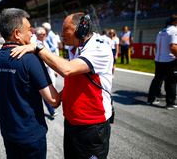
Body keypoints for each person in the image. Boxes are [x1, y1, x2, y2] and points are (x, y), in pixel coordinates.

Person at [11, 12, 113, 159]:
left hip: (92, 126)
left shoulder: (99, 49)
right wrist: (59, 96)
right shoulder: (77, 46)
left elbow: (67, 70)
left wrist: (38, 47)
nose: (61, 34)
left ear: (80, 31)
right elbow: (77, 81)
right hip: (72, 122)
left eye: (66, 29)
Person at [0, 8, 60, 159]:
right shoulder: (30, 59)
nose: (32, 33)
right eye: (28, 30)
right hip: (31, 135)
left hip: (8, 132)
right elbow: (53, 101)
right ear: (17, 34)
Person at [147, 14, 177, 109]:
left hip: (159, 60)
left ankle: (151, 99)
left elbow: (156, 47)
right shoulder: (174, 31)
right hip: (170, 60)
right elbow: (173, 47)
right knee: (171, 81)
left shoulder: (161, 31)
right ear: (175, 22)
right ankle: (170, 103)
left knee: (157, 80)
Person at [35, 26, 58, 118]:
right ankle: (51, 110)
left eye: (45, 34)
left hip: (49, 69)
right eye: (42, 34)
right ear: (37, 35)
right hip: (41, 70)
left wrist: (55, 69)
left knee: (49, 89)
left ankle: (51, 108)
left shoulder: (45, 42)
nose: (45, 35)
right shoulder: (35, 44)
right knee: (43, 90)